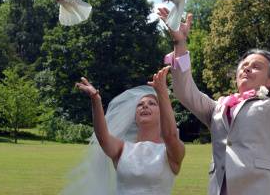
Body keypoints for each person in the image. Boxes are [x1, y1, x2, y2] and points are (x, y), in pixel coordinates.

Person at [158, 0, 270, 195]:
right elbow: (185, 92)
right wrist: (179, 44)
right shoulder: (217, 107)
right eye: (244, 65)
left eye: (256, 66)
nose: (246, 68)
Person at [62, 67, 185, 195]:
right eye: (140, 104)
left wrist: (162, 93)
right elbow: (102, 137)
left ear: (162, 114)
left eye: (152, 103)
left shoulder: (172, 150)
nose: (145, 105)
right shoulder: (122, 149)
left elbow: (170, 136)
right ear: (135, 116)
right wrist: (95, 99)